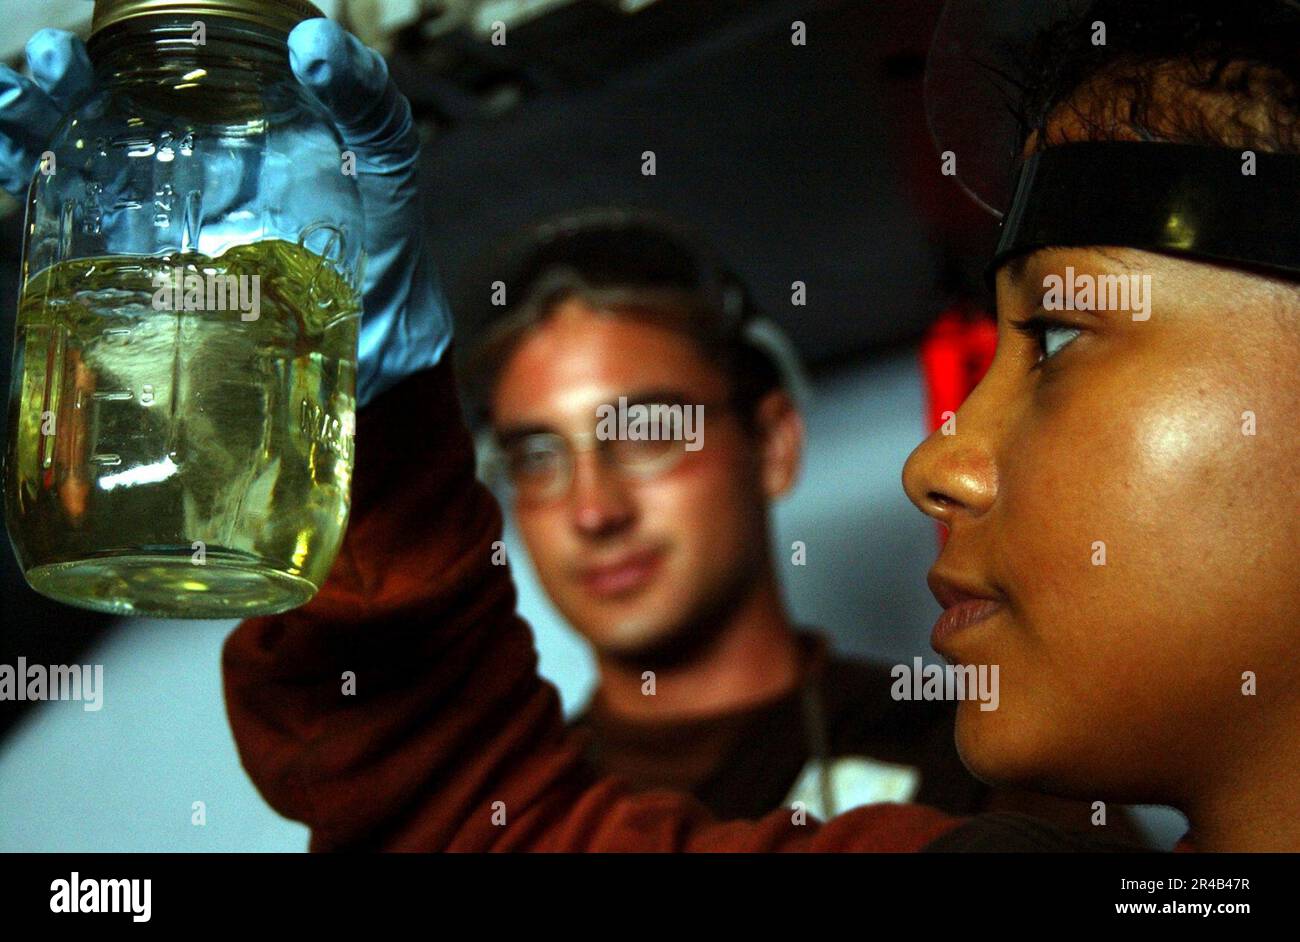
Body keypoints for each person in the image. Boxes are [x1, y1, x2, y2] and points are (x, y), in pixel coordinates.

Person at [4, 0, 1293, 851]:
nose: (935, 458)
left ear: (771, 436)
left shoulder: (985, 786)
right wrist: (359, 393)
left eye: (1058, 339)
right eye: (532, 455)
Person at [456, 207, 1125, 828]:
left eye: (647, 432)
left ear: (774, 445)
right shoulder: (506, 812)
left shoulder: (988, 764)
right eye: (538, 456)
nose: (594, 510)